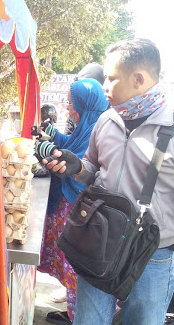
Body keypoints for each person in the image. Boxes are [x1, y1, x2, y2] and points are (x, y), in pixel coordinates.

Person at [42, 38, 174, 324]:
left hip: (152, 259)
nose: (104, 86)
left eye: (111, 78)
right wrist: (77, 166)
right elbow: (96, 171)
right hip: (98, 246)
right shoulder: (106, 121)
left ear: (139, 78)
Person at [34, 79, 109, 324]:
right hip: (70, 210)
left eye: (70, 102)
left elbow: (78, 164)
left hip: (78, 212)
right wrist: (53, 136)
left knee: (75, 269)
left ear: (83, 104)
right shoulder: (86, 124)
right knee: (69, 268)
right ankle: (72, 311)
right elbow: (71, 145)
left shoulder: (99, 128)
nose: (67, 107)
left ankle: (80, 317)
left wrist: (47, 150)